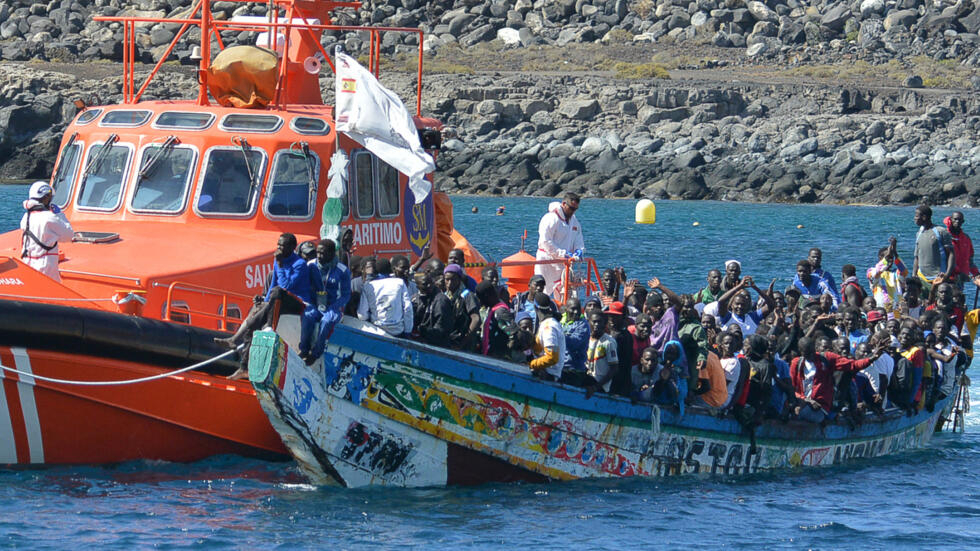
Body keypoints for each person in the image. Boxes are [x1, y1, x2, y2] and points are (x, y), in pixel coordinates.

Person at [215, 233, 320, 377]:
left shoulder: (299, 264)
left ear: (292, 247)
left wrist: (280, 264)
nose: (279, 248)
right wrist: (265, 300)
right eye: (278, 245)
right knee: (258, 309)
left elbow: (285, 286)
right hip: (281, 299)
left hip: (298, 302)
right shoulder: (278, 261)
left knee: (277, 292)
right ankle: (243, 365)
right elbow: (273, 284)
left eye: (283, 245)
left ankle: (266, 327)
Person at [790, 336, 887, 423]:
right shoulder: (797, 364)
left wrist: (872, 358)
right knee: (794, 411)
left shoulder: (826, 358)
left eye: (812, 352)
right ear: (801, 352)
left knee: (801, 414)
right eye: (807, 354)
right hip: (803, 403)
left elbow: (853, 365)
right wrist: (805, 400)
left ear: (814, 348)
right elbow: (792, 389)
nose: (811, 356)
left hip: (820, 408)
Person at [306, 239, 351, 363]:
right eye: (318, 252)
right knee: (307, 316)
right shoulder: (311, 265)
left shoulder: (342, 270)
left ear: (332, 254)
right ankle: (304, 349)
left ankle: (316, 354)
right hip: (315, 304)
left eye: (322, 253)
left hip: (334, 307)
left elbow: (346, 295)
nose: (319, 256)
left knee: (326, 321)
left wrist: (333, 307)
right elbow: (305, 286)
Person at [20, 181, 74, 282]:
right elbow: (69, 235)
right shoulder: (50, 217)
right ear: (45, 197)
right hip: (45, 267)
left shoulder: (26, 217)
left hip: (28, 265)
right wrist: (60, 214)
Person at [535, 192, 584, 294]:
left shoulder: (574, 221)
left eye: (575, 209)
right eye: (571, 208)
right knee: (542, 290)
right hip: (546, 261)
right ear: (564, 204)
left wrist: (579, 250)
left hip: (563, 264)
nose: (573, 211)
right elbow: (545, 241)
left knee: (564, 292)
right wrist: (562, 253)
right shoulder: (550, 218)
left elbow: (578, 238)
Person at [357, 257, 414, 337]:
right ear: (390, 269)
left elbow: (362, 315)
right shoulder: (399, 283)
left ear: (376, 270)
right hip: (398, 330)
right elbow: (407, 308)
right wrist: (408, 331)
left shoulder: (368, 286)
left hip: (377, 331)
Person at [912, 204, 955, 295]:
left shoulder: (940, 231)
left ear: (924, 217)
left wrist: (947, 274)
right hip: (922, 278)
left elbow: (951, 254)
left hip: (938, 278)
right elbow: (917, 256)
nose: (914, 218)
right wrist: (914, 275)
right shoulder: (919, 233)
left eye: (916, 216)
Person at [529, 292, 566, 382]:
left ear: (535, 307)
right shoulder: (549, 323)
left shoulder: (548, 327)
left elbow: (552, 357)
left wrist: (531, 364)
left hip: (549, 375)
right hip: (545, 371)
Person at [443, 264, 481, 349]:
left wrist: (462, 343)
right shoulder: (445, 296)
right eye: (447, 279)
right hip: (449, 341)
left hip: (463, 344)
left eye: (453, 279)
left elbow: (476, 319)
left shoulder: (467, 296)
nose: (450, 283)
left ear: (459, 280)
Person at [867, 237, 907, 317]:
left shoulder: (895, 273)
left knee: (896, 322)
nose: (890, 261)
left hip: (896, 309)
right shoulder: (871, 271)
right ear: (880, 258)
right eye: (888, 258)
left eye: (891, 258)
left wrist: (895, 253)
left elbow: (904, 271)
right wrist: (887, 258)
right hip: (881, 309)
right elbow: (877, 272)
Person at [413, 271, 454, 346]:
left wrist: (423, 333)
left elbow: (442, 328)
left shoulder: (441, 300)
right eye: (425, 284)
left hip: (437, 345)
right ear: (417, 286)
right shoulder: (415, 299)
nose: (429, 285)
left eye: (431, 282)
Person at [583, 311, 619, 395]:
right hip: (587, 378)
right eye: (594, 322)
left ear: (605, 324)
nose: (596, 324)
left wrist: (596, 387)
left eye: (599, 322)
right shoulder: (585, 338)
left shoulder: (609, 342)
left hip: (599, 385)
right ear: (589, 322)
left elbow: (614, 368)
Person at [944, 211, 980, 289]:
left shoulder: (966, 238)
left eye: (959, 220)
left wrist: (976, 274)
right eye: (955, 219)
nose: (957, 221)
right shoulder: (944, 236)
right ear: (950, 219)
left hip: (960, 279)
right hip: (946, 278)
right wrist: (958, 272)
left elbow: (970, 260)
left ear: (963, 221)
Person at [561, 297, 590, 375]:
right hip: (560, 366)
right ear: (566, 309)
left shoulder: (583, 324)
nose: (576, 312)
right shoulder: (561, 320)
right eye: (573, 309)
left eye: (578, 309)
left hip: (574, 368)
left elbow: (573, 343)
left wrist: (558, 334)